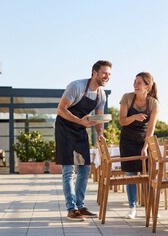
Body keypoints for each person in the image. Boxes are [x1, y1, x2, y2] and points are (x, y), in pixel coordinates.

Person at [55, 60, 112, 221]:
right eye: (104, 73)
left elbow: (99, 117)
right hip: (64, 128)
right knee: (68, 170)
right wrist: (80, 121)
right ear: (94, 73)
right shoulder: (76, 86)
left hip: (80, 130)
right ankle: (71, 209)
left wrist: (100, 133)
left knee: (85, 169)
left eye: (109, 74)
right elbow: (60, 109)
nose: (107, 76)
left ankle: (80, 206)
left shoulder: (101, 94)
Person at [119, 72, 159, 219]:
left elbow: (151, 129)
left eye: (139, 83)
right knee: (131, 175)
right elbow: (122, 121)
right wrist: (135, 117)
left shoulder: (153, 103)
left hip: (144, 140)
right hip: (127, 141)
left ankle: (152, 207)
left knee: (148, 175)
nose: (135, 85)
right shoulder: (127, 98)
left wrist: (145, 147)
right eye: (134, 82)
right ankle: (132, 208)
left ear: (147, 86)